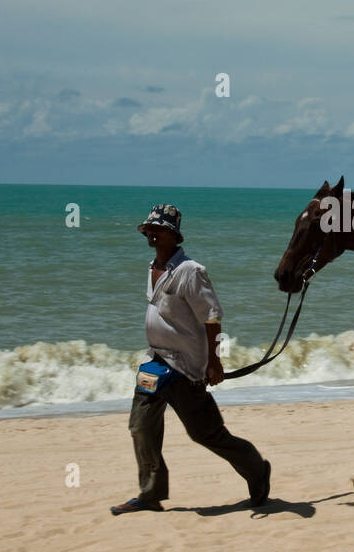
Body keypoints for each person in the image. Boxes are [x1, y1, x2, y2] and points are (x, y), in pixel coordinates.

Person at [111, 203, 271, 514]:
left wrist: (214, 361)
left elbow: (212, 318)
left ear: (173, 235)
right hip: (155, 362)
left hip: (185, 367)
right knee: (141, 428)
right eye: (149, 230)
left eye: (157, 230)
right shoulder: (152, 267)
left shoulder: (190, 271)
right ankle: (150, 494)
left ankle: (257, 471)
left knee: (206, 434)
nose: (151, 234)